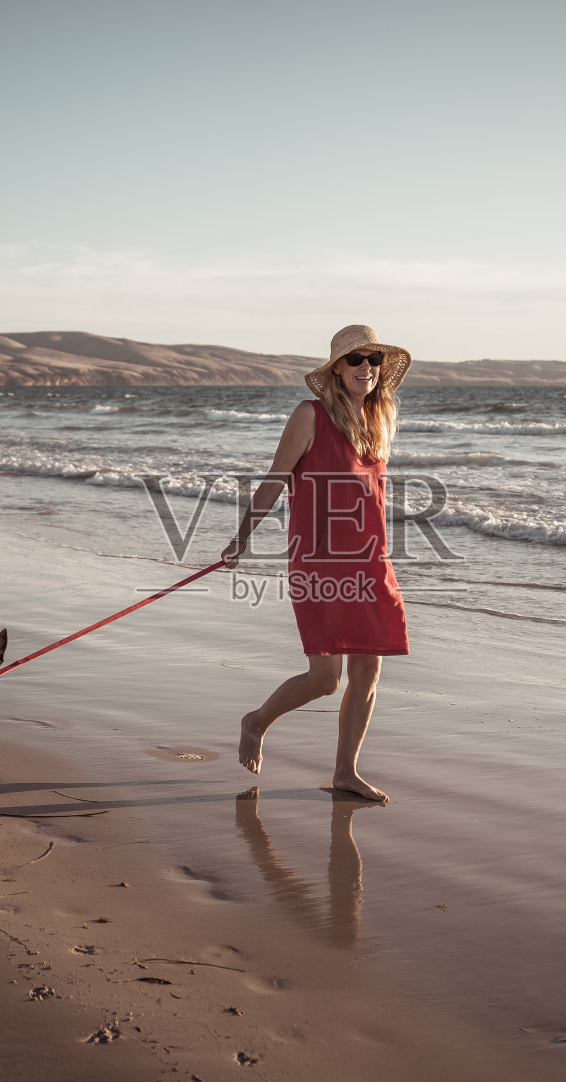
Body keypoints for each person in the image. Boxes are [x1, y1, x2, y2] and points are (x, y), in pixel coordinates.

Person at [221, 324, 412, 802]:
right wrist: (241, 539)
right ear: (336, 368)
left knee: (369, 672)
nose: (366, 367)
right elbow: (273, 480)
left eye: (373, 359)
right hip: (321, 562)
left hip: (371, 562)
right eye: (355, 359)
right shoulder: (309, 416)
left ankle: (346, 772)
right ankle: (256, 721)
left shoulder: (379, 419)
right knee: (325, 680)